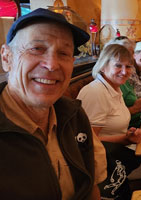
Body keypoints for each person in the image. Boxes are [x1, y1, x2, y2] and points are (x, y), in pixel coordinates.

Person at [0, 8, 106, 199]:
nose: (51, 64)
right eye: (37, 49)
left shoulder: (73, 115)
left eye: (63, 53)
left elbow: (91, 188)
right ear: (7, 58)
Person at [77, 44, 141, 199]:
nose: (124, 71)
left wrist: (128, 135)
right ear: (103, 66)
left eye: (128, 66)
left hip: (120, 151)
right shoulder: (96, 92)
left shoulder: (114, 88)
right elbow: (88, 142)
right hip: (107, 164)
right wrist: (125, 139)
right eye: (118, 65)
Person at [106, 37, 141, 128]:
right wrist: (134, 109)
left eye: (130, 54)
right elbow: (93, 136)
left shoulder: (122, 81)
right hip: (130, 129)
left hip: (138, 125)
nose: (124, 71)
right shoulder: (98, 90)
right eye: (118, 65)